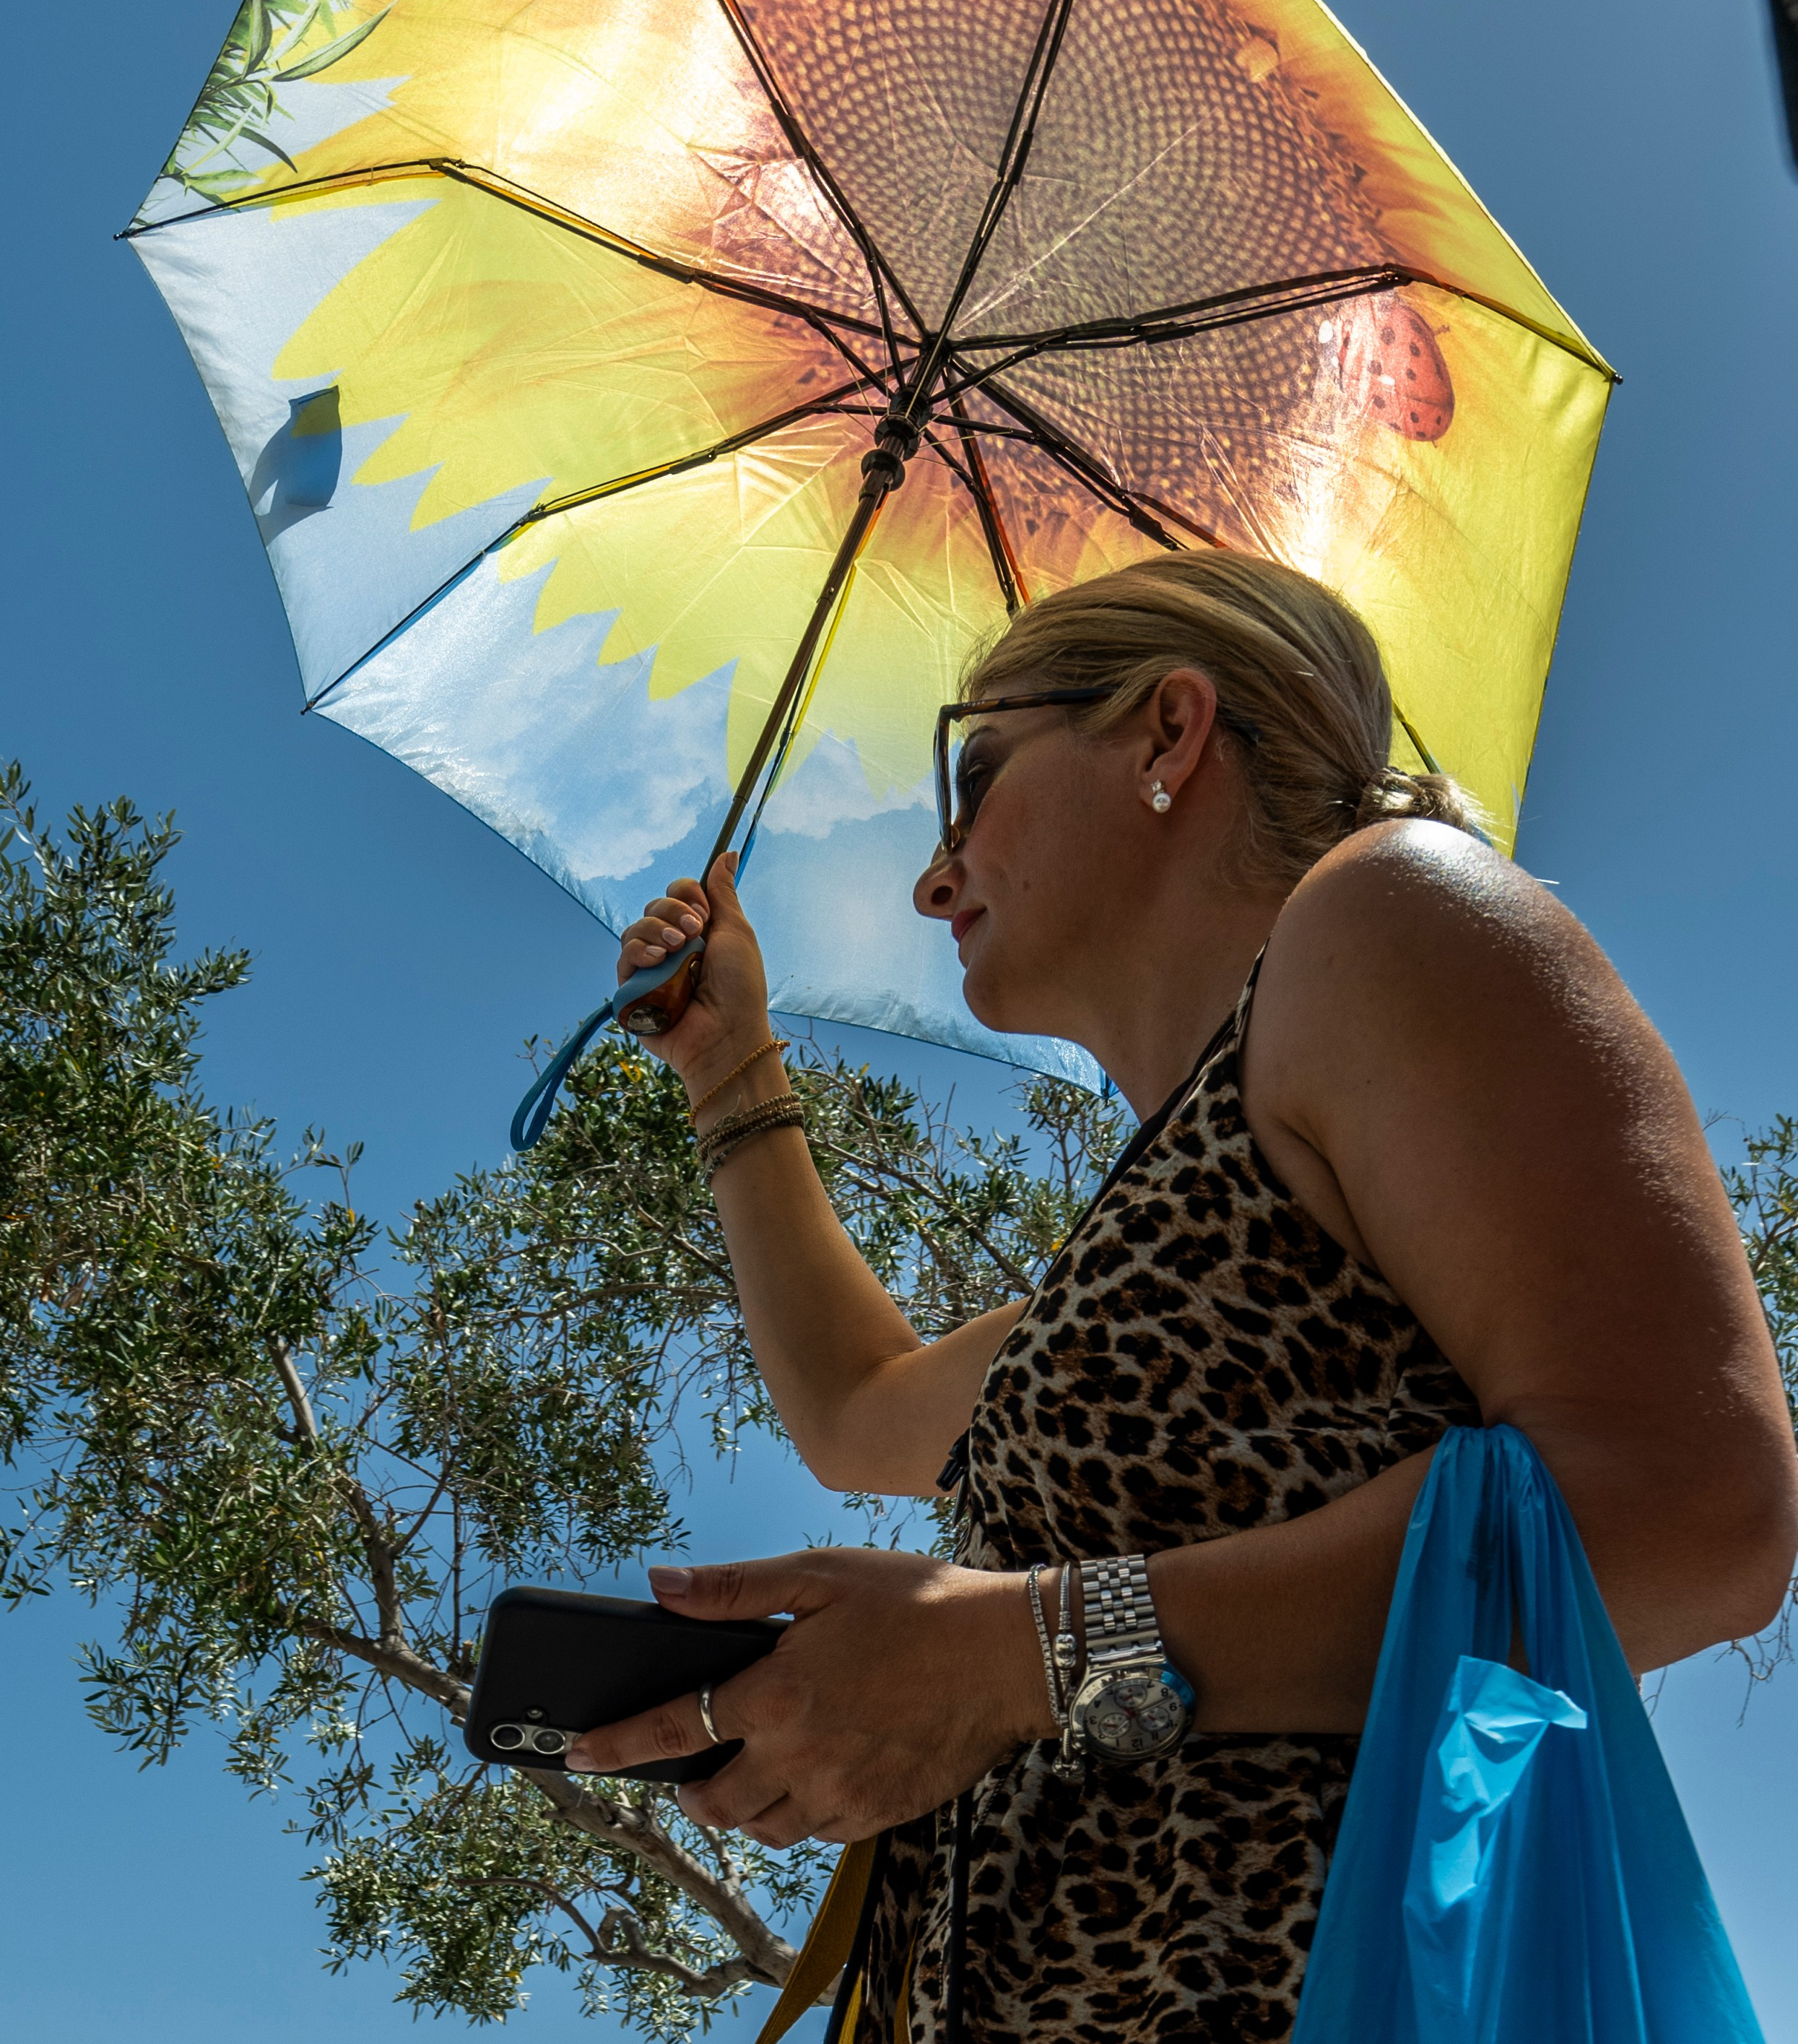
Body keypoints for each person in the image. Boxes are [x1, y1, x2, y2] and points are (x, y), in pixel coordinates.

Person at [563, 551, 1798, 2043]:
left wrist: (1005, 1653)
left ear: (1168, 732)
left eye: (979, 772)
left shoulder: (1389, 912)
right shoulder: (1149, 1244)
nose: (934, 873)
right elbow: (853, 1410)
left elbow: (1697, 1500)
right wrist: (730, 1069)